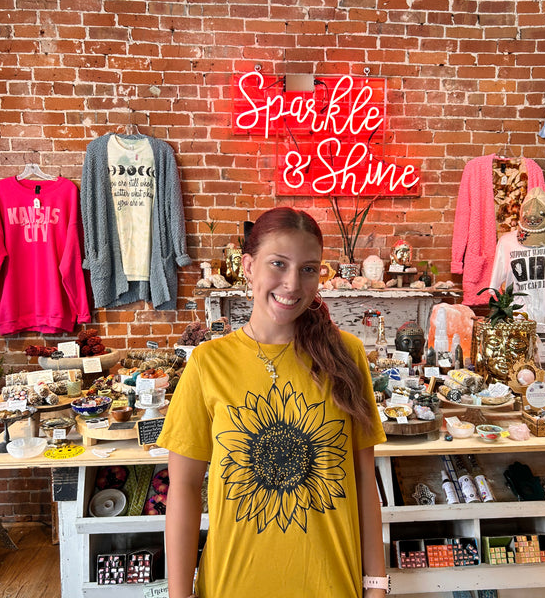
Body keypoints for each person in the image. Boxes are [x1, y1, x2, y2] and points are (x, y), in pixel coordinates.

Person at [158, 207, 388, 598]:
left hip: (332, 584)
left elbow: (365, 479)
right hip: (233, 585)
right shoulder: (208, 363)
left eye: (308, 269)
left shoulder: (346, 356)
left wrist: (377, 584)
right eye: (278, 264)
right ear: (248, 267)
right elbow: (183, 488)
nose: (292, 283)